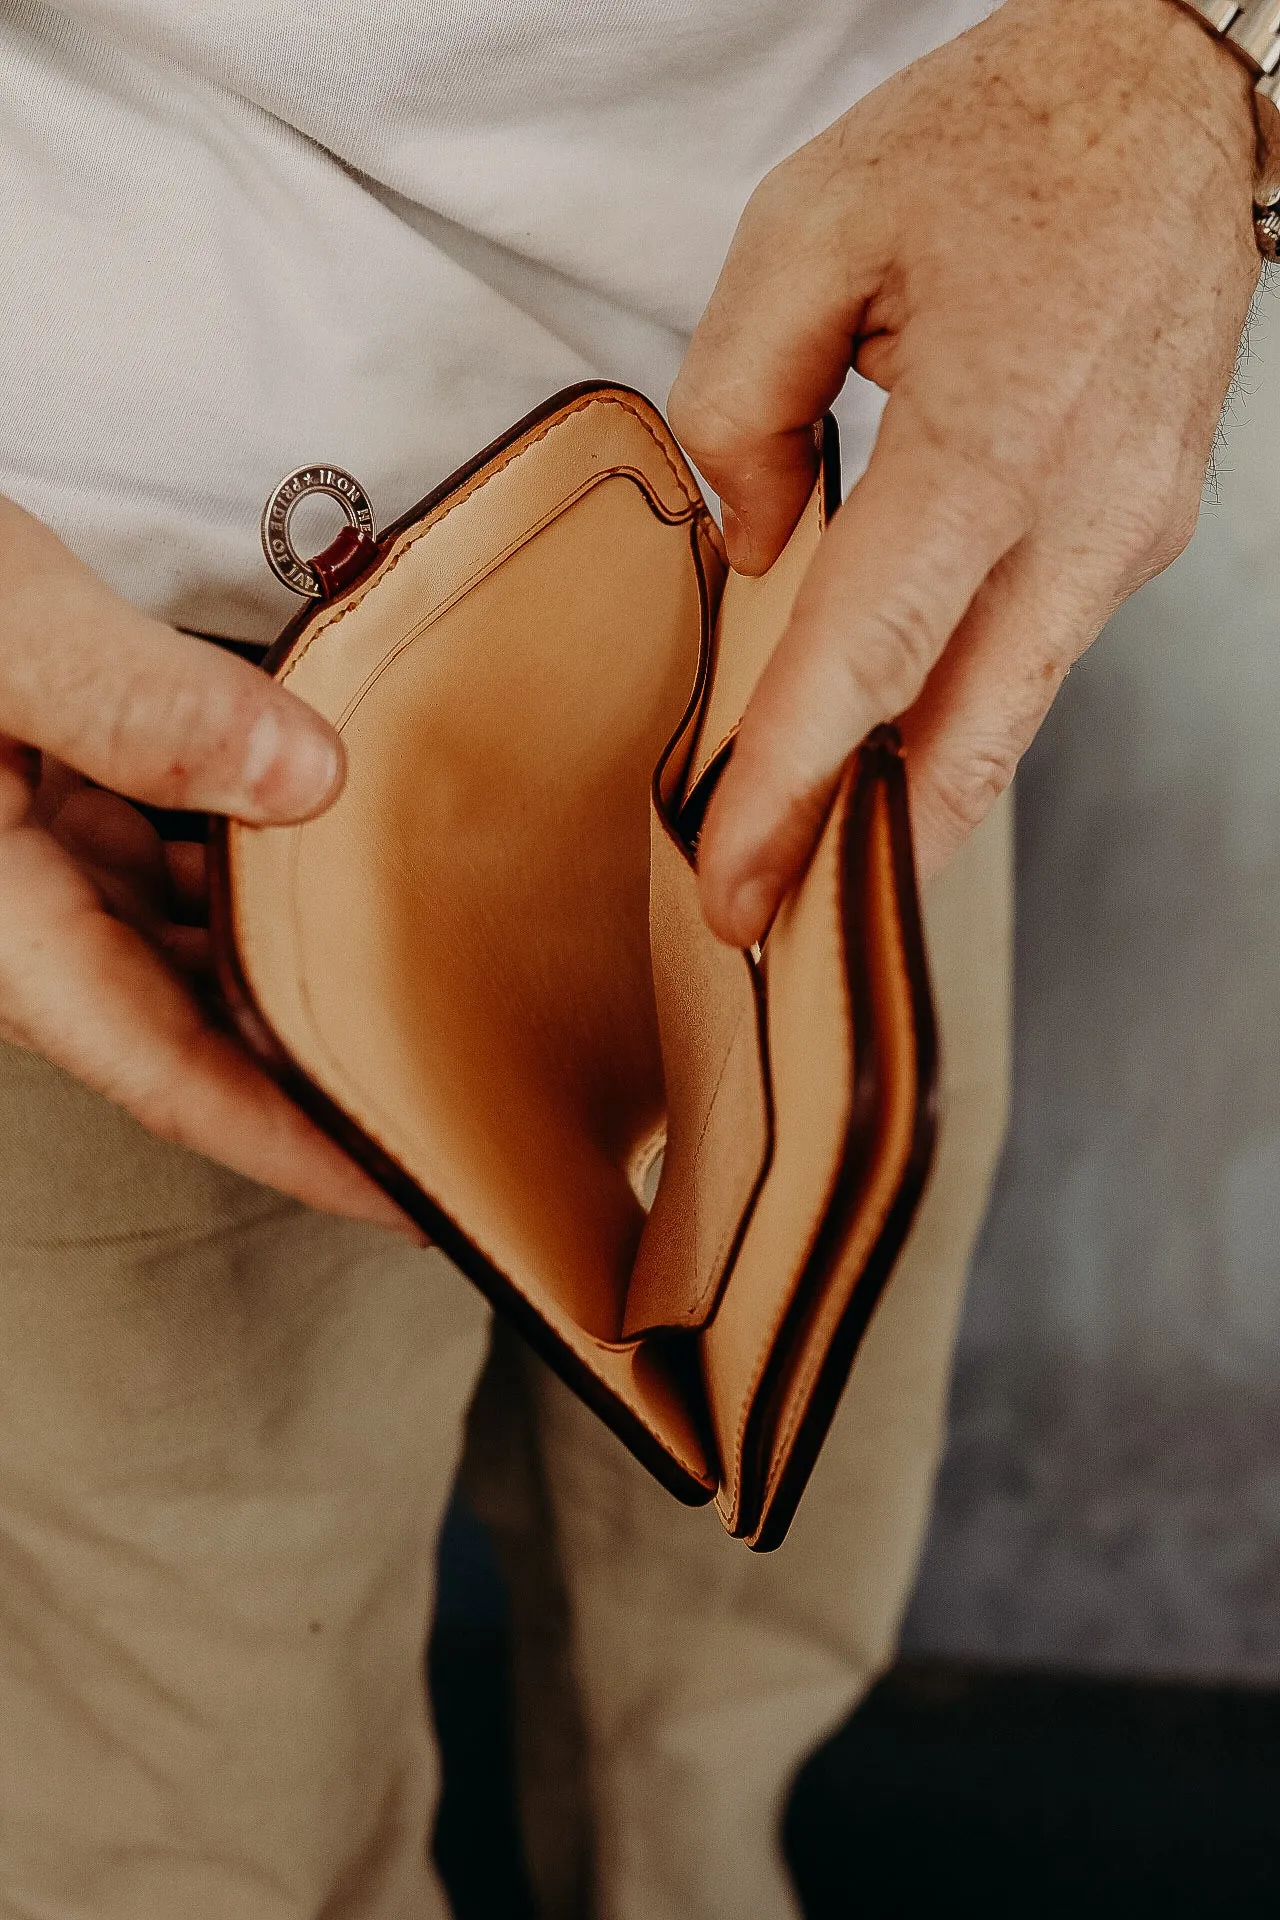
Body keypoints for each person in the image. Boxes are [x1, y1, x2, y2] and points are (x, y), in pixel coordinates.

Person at [0, 0, 1261, 1913]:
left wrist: (1190, 55)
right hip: (102, 677)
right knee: (200, 1802)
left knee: (754, 1600)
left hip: (845, 550)